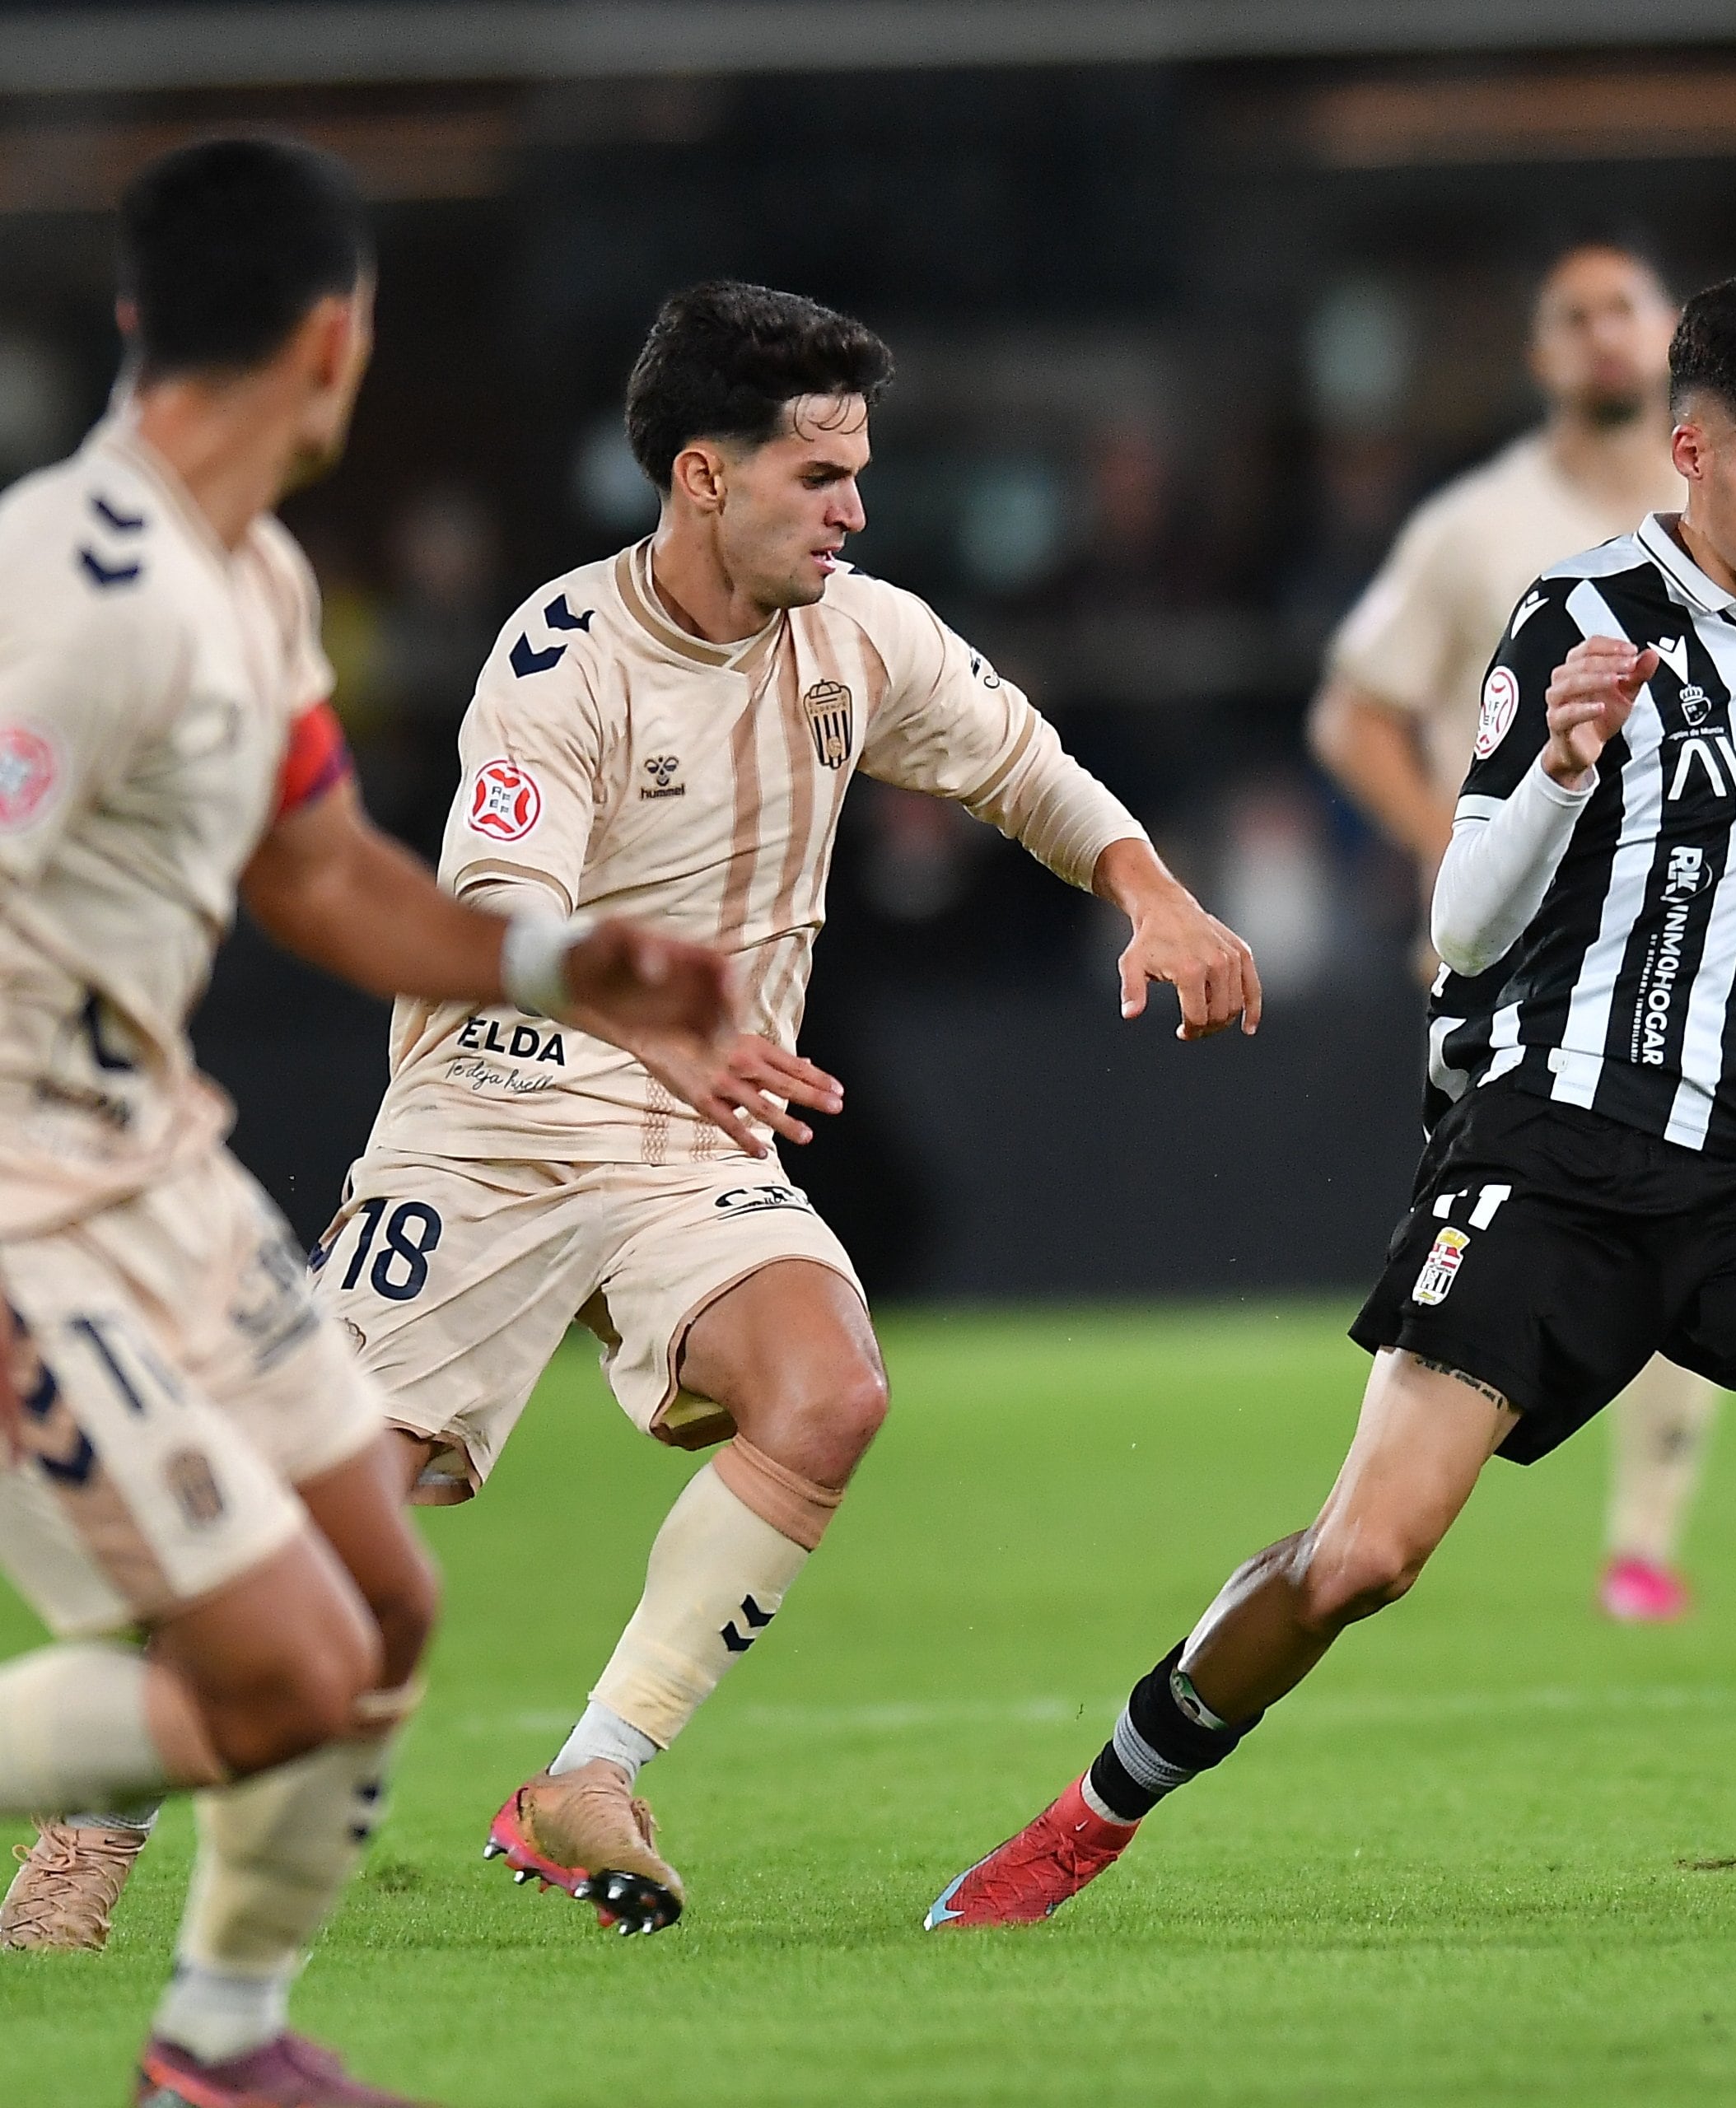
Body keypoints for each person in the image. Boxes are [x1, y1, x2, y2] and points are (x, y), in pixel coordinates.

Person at [29, 281, 1262, 1947]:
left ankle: (587, 1776)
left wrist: (1150, 888)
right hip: (501, 1109)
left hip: (698, 1128)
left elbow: (1021, 766)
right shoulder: (564, 656)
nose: (856, 509)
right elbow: (497, 904)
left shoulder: (865, 635)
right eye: (820, 475)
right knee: (330, 1514)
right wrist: (654, 1030)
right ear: (702, 477)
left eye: (859, 471)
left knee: (827, 1391)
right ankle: (85, 1837)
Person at [928, 275, 1736, 1930]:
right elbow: (1464, 921)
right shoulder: (1583, 616)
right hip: (1553, 1149)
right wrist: (1554, 772)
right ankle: (1088, 1813)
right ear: (1692, 450)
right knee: (1361, 1558)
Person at [0, 140, 731, 2106]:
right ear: (338, 339)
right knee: (274, 1665)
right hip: (21, 1203)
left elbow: (321, 874)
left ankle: (216, 2044)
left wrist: (581, 973)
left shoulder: (246, 578)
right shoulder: (68, 596)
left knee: (382, 1600)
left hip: (155, 1161)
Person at [1309, 240, 1722, 1625]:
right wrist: (1458, 843)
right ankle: (1388, 1504)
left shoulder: (1726, 513)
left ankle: (1645, 1539)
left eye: (1625, 311)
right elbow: (1351, 709)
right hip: (1508, 961)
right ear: (1542, 356)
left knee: (1680, 1205)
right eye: (1574, 319)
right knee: (1486, 1234)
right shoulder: (1473, 528)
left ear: (1667, 336)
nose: (1603, 336)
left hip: (1669, 943)